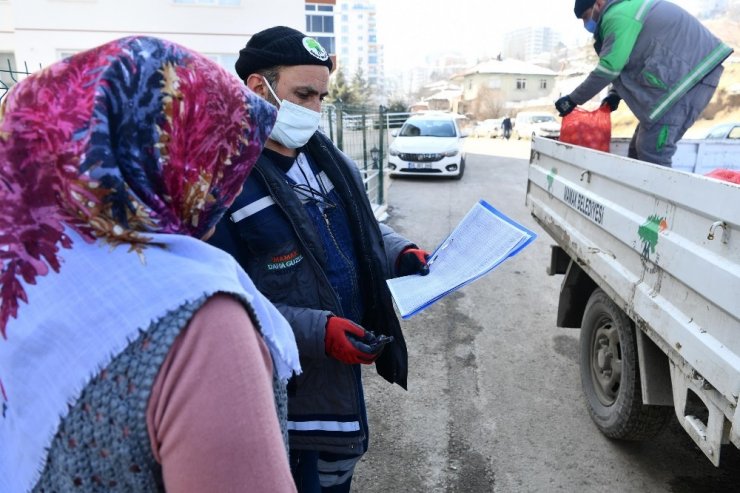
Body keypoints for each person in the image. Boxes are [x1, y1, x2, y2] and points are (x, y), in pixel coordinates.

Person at [0, 36, 301, 493]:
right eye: (215, 160)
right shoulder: (200, 323)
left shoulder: (23, 270)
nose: (232, 191)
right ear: (157, 157)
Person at [208, 26, 430, 492]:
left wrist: (402, 253)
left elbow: (363, 230)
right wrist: (318, 331)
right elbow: (222, 306)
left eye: (321, 97)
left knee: (333, 480)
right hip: (284, 397)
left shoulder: (328, 161)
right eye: (303, 94)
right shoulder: (222, 182)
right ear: (257, 88)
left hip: (337, 383)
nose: (313, 110)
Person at [555, 0, 733, 167]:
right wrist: (614, 95)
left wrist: (572, 100)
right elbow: (626, 62)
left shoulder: (617, 15)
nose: (586, 24)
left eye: (586, 17)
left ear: (599, 3)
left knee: (653, 151)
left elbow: (609, 68)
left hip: (692, 78)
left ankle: (662, 200)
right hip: (683, 79)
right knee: (637, 152)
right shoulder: (623, 12)